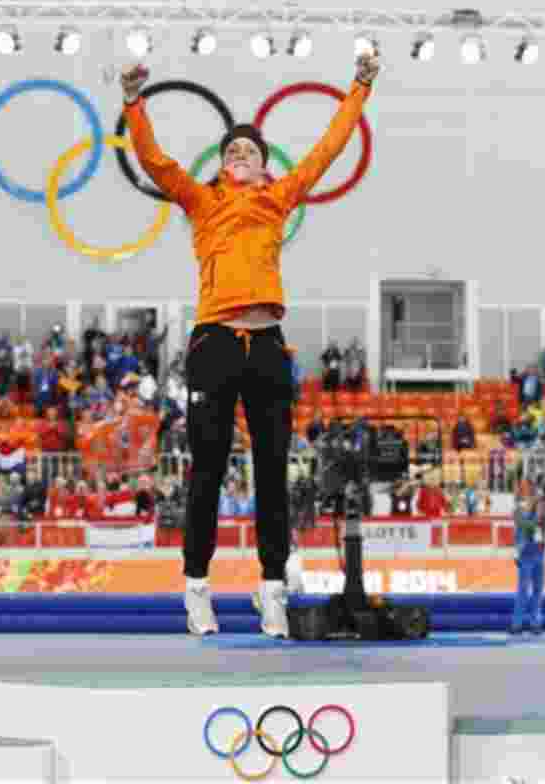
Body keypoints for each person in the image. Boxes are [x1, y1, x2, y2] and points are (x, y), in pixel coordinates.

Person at [122, 53, 380, 637]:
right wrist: (134, 104)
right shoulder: (201, 200)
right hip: (214, 342)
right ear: (220, 166)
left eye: (251, 152)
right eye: (232, 151)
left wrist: (358, 89)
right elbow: (156, 163)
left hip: (266, 347)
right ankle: (196, 588)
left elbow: (326, 151)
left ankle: (271, 592)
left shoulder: (278, 197)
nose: (240, 156)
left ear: (265, 167)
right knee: (207, 470)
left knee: (271, 472)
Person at [509, 479, 545, 636]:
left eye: (535, 493)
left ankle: (536, 624)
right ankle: (517, 625)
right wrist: (538, 516)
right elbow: (526, 527)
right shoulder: (518, 511)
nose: (536, 496)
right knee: (523, 590)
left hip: (540, 554)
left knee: (538, 591)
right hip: (526, 555)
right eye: (532, 493)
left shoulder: (541, 510)